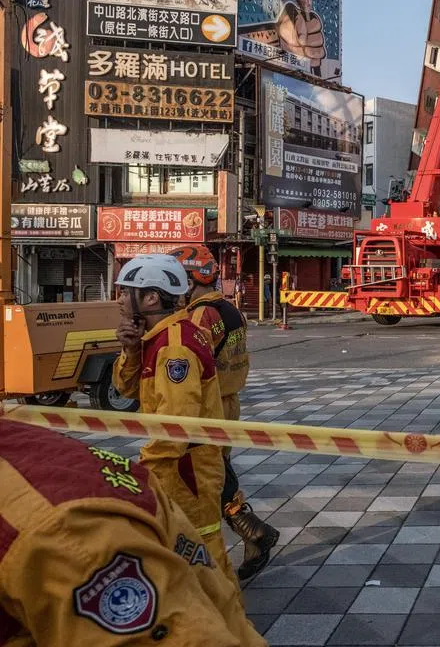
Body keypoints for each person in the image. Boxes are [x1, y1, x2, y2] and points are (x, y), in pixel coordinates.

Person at [0, 419, 266, 645]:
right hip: (188, 457)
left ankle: (254, 538)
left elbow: (176, 416)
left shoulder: (55, 529)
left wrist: (152, 461)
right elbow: (128, 386)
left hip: (184, 460)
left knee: (207, 534)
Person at [111, 253, 239, 590]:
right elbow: (125, 389)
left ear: (151, 297)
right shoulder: (159, 339)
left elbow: (176, 425)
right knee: (183, 547)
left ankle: (225, 624)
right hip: (178, 463)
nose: (121, 300)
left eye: (127, 292)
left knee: (202, 550)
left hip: (185, 467)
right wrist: (131, 349)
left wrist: (144, 468)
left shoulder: (175, 347)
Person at [169, 245, 279, 582]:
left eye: (177, 281)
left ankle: (253, 532)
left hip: (208, 405)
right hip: (227, 403)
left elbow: (191, 361)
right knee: (215, 470)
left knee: (208, 475)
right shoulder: (231, 310)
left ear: (190, 281)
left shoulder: (202, 316)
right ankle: (253, 531)